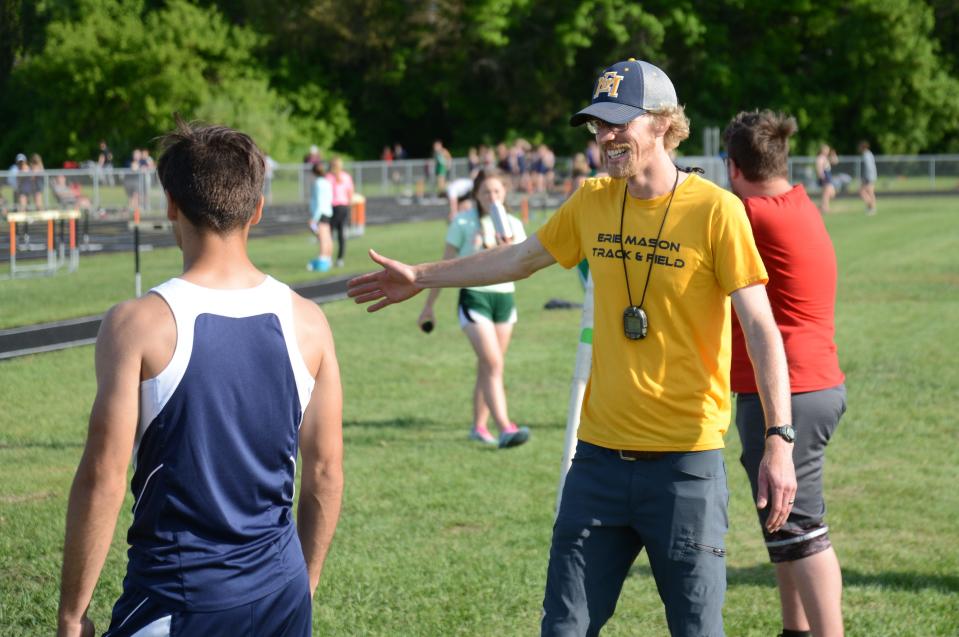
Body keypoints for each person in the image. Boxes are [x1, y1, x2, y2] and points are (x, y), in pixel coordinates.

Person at [348, 58, 796, 636]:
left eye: (618, 123)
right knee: (563, 627)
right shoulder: (592, 200)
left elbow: (760, 328)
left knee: (697, 629)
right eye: (597, 125)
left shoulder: (716, 211)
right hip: (598, 465)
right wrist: (423, 276)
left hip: (685, 469)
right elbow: (519, 257)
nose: (606, 137)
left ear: (662, 123)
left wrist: (779, 439)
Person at [57, 117, 344, 637]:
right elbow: (324, 472)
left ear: (171, 204)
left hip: (178, 600)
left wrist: (73, 615)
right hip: (281, 595)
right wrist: (304, 583)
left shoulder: (136, 324)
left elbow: (104, 477)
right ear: (257, 208)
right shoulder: (309, 321)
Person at [724, 110, 847, 637]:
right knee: (783, 523)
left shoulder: (749, 215)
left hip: (786, 390)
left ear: (732, 167)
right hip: (815, 383)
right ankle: (793, 630)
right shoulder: (796, 204)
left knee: (801, 528)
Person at [419, 169, 530, 449]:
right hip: (474, 297)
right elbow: (444, 265)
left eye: (496, 191)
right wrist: (429, 306)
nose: (491, 197)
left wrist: (508, 250)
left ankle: (479, 426)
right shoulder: (463, 221)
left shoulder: (514, 224)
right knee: (493, 363)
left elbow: (524, 268)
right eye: (485, 192)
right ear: (476, 194)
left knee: (489, 365)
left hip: (504, 299)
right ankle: (506, 428)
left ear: (504, 193)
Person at [327, 157, 354, 268]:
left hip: (333, 207)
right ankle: (340, 258)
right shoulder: (346, 177)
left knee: (329, 235)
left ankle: (327, 257)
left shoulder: (328, 177)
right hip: (344, 207)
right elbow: (350, 193)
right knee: (341, 234)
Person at [309, 161, 334, 272]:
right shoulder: (327, 182)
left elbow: (319, 202)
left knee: (323, 238)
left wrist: (314, 218)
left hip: (320, 213)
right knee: (327, 237)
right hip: (327, 212)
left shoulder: (318, 183)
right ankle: (328, 259)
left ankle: (323, 261)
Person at [815, 145, 836, 213]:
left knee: (831, 193)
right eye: (826, 150)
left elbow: (835, 161)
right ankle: (825, 208)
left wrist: (833, 154)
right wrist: (821, 176)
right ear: (822, 150)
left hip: (828, 175)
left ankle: (821, 207)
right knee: (826, 194)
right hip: (825, 176)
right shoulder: (820, 158)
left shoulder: (825, 157)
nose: (827, 151)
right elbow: (819, 168)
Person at [858, 141, 877, 215]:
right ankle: (871, 208)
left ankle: (871, 207)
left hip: (868, 177)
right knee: (870, 193)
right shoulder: (869, 154)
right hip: (871, 176)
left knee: (863, 192)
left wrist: (865, 178)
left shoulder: (866, 155)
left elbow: (868, 167)